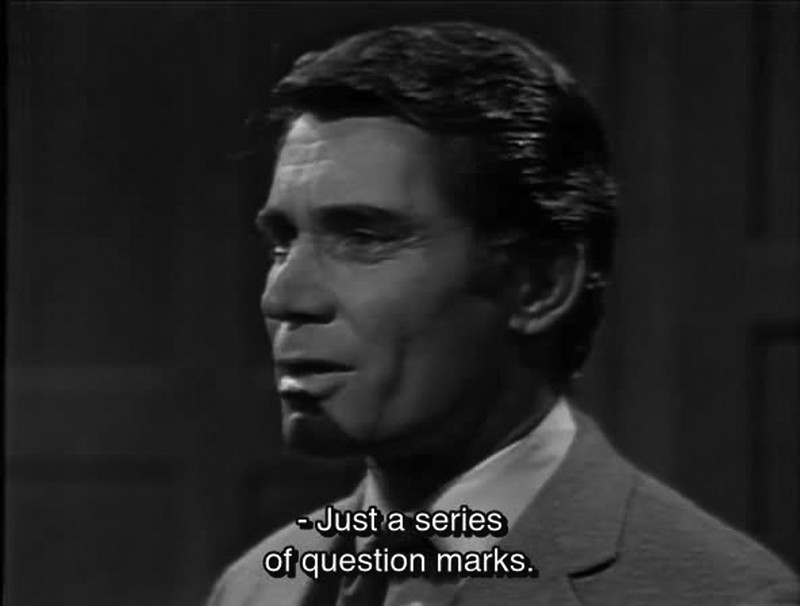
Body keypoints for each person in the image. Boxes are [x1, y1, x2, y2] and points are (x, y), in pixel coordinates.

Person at [209, 21, 798, 606]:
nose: (283, 298)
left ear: (539, 285)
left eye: (363, 237)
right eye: (282, 243)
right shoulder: (254, 588)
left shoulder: (724, 598)